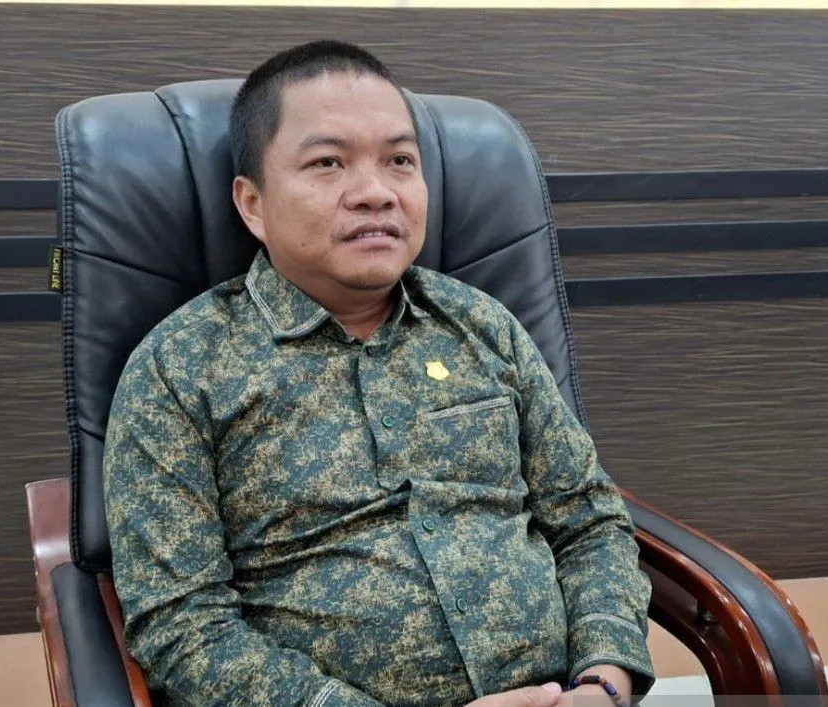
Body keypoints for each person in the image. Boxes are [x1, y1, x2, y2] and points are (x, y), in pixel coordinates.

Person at [103, 40, 654, 707]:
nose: (376, 193)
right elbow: (182, 628)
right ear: (252, 204)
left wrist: (604, 680)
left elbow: (588, 520)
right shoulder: (179, 368)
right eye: (328, 163)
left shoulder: (481, 324)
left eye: (400, 161)